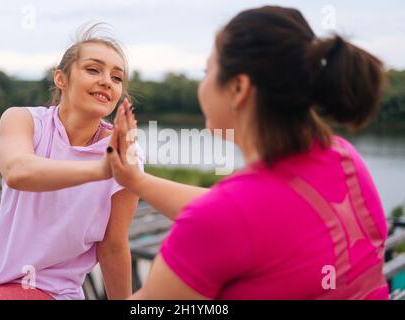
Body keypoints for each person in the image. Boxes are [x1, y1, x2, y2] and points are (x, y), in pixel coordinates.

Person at [107, 6, 389, 299]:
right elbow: (246, 216)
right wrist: (135, 180)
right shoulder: (344, 159)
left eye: (207, 71)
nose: (202, 85)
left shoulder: (225, 216)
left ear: (239, 88)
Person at [0, 24, 143, 300]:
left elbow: (113, 246)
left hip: (51, 291)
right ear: (61, 79)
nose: (106, 81)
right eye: (93, 69)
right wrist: (100, 170)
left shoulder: (125, 152)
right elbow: (18, 171)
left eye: (117, 78)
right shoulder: (23, 120)